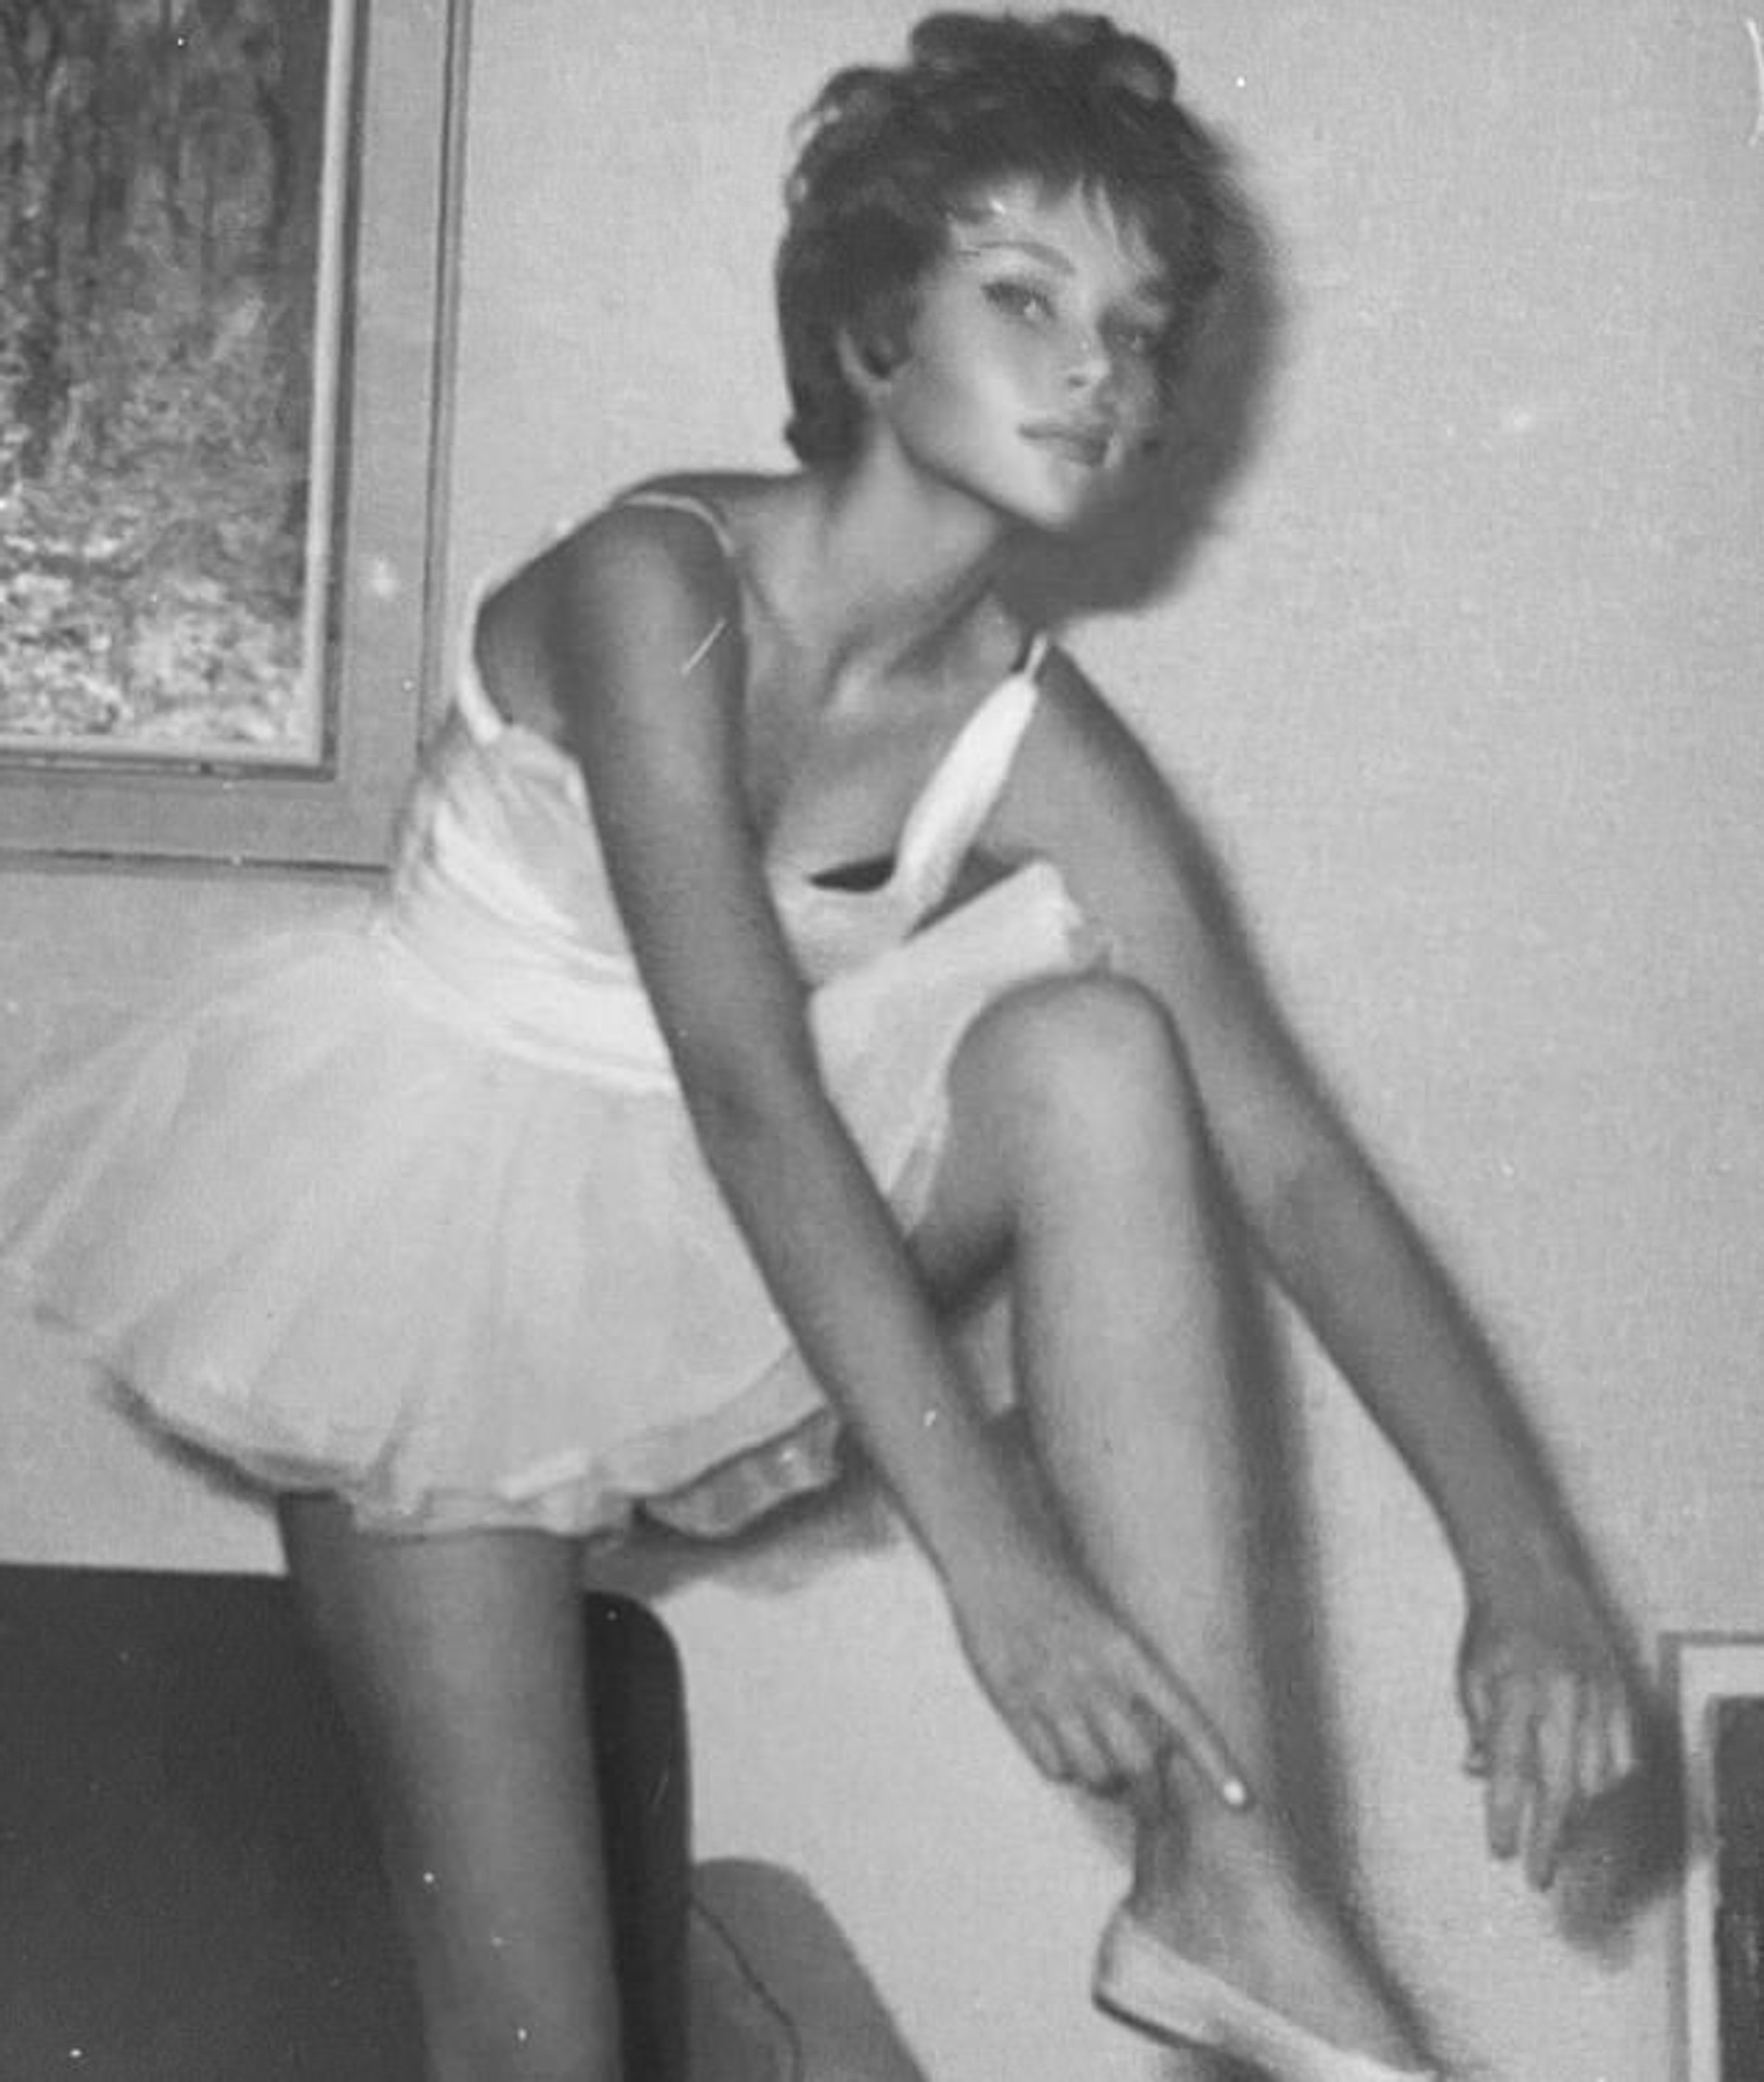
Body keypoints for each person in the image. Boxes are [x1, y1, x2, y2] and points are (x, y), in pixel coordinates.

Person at [0, 12, 1641, 2081]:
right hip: (425, 1266)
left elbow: (1293, 1164)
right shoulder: (660, 579)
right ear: (871, 331)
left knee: (1096, 1049)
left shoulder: (1023, 729)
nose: (1095, 369)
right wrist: (999, 1568)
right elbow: (747, 1079)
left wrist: (1524, 1568)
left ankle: (1226, 1878)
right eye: (1024, 297)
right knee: (537, 2050)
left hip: (727, 1254)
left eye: (1135, 334)